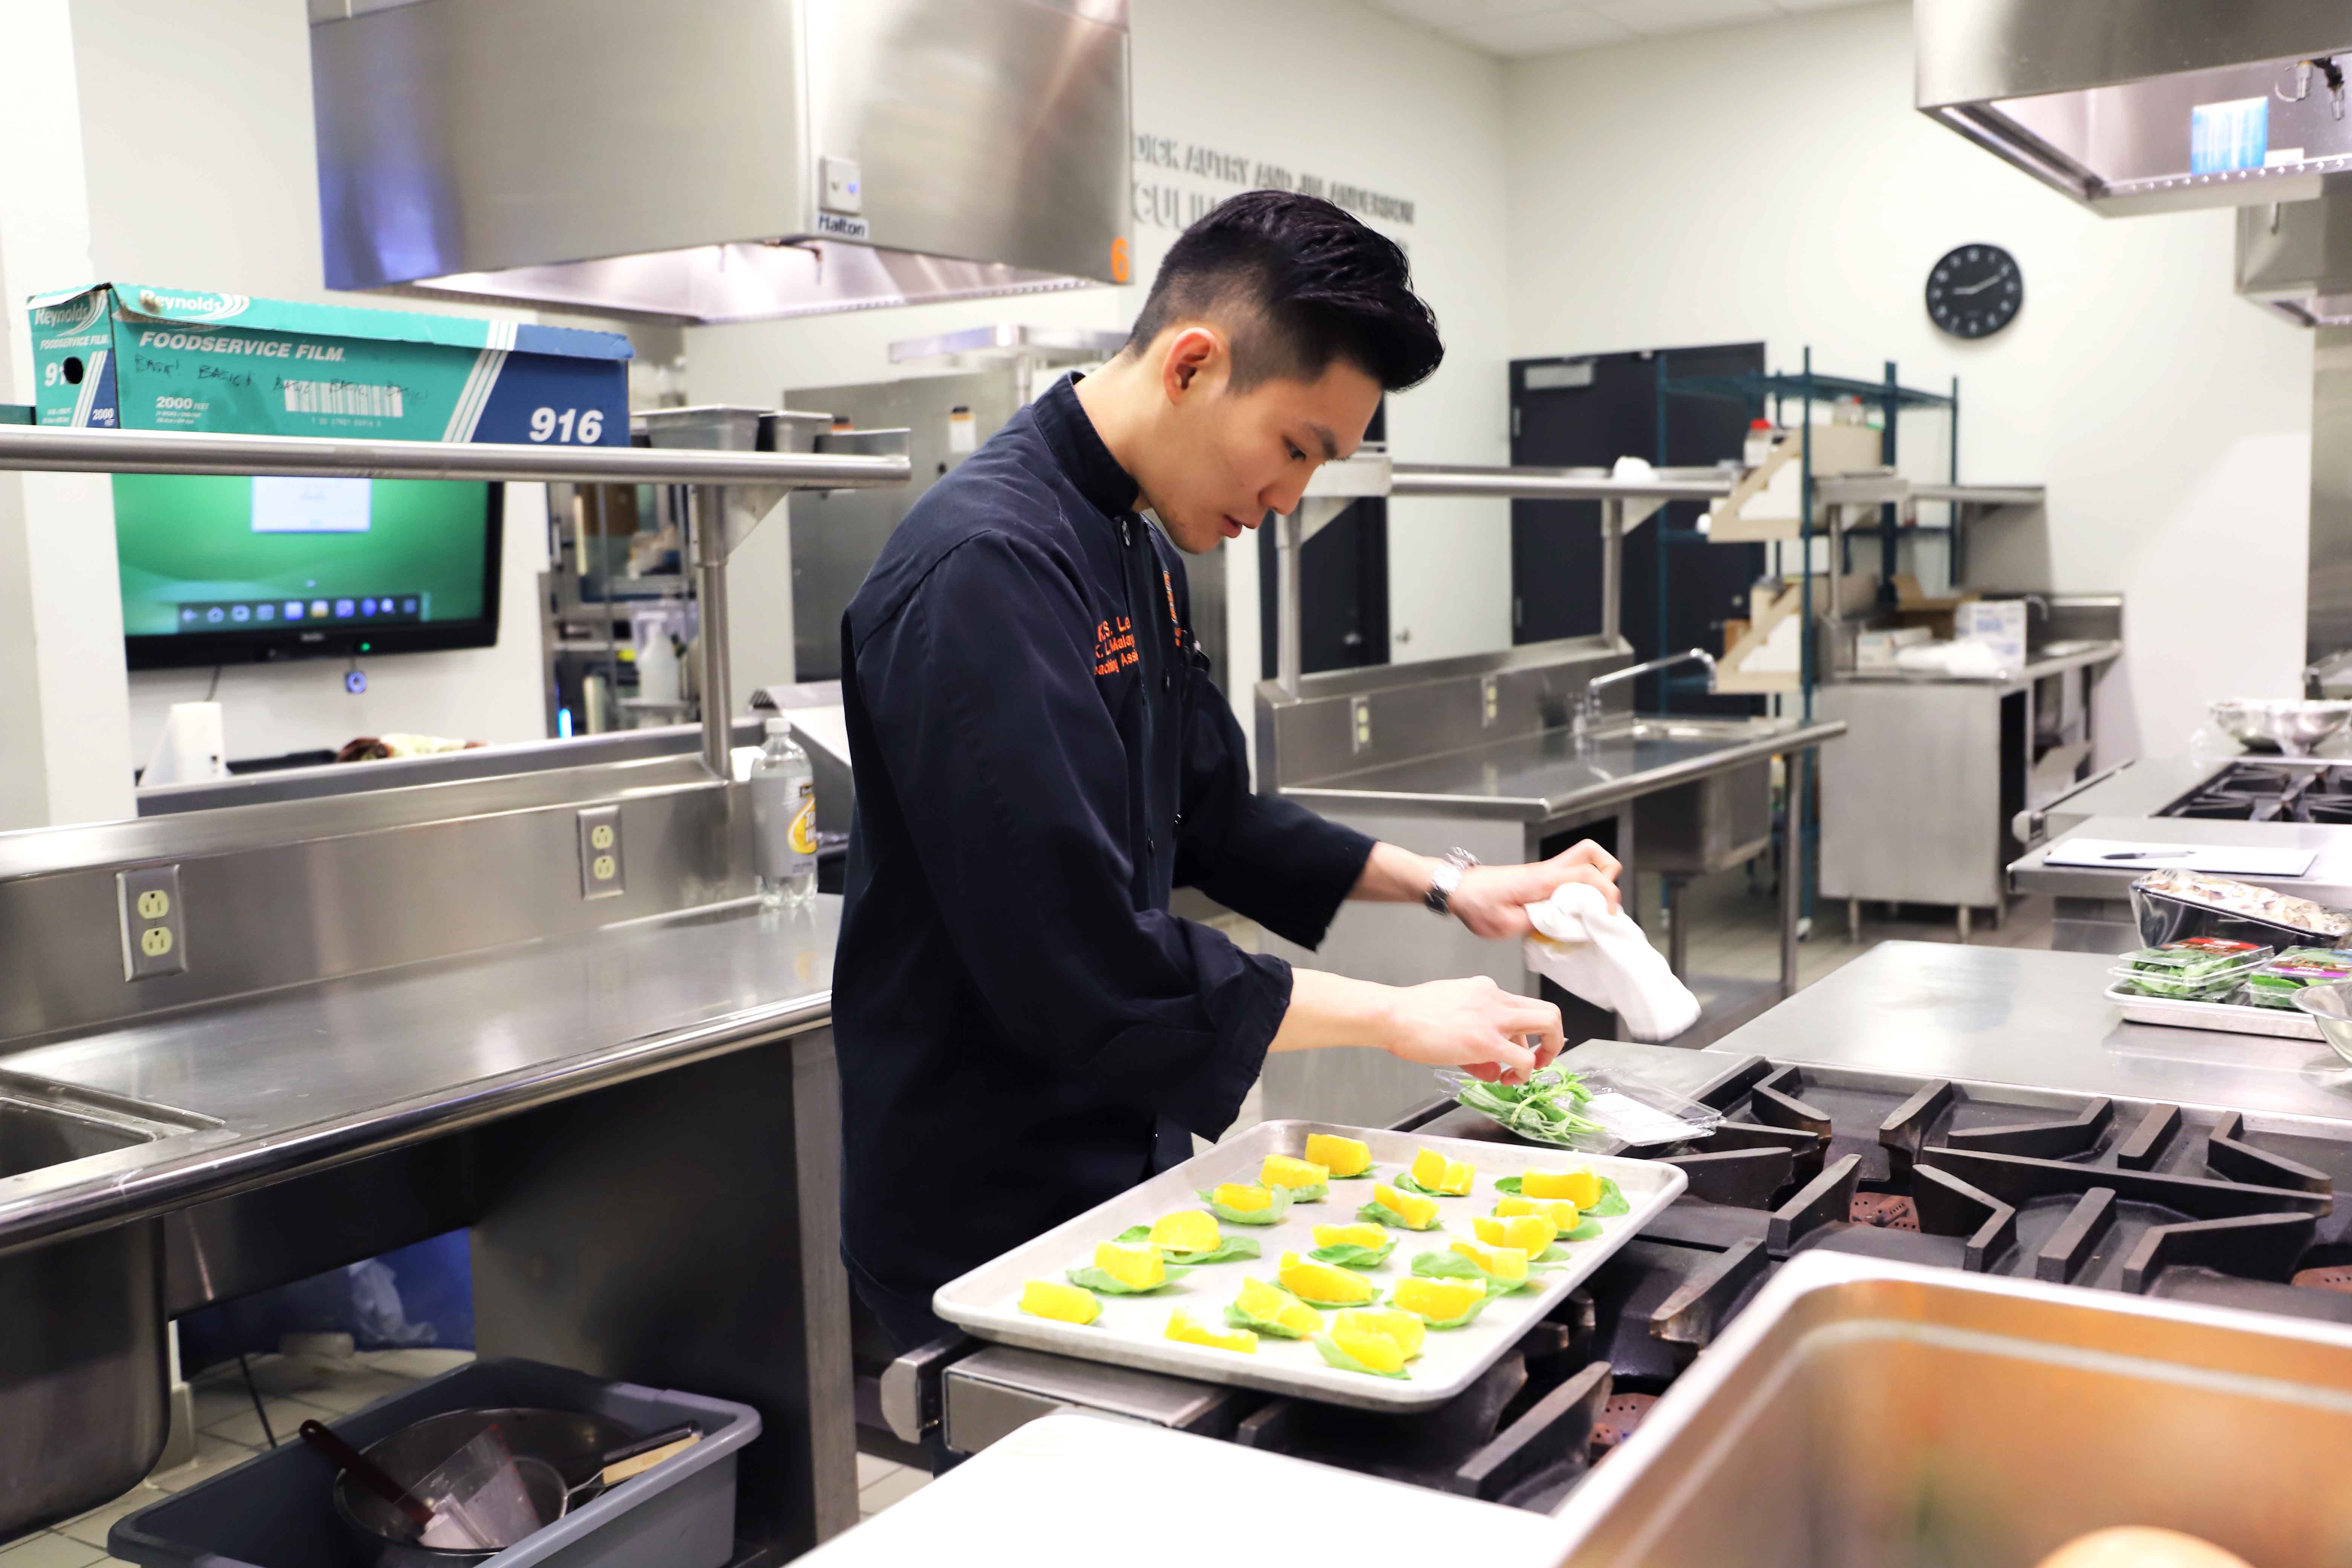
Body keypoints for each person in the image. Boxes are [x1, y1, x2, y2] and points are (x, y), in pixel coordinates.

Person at [833, 190, 1623, 1351]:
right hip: (988, 1204)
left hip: (1123, 1161)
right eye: (1296, 448)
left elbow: (1215, 817)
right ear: (1194, 364)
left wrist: (1451, 889)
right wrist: (1395, 1015)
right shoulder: (985, 568)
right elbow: (1081, 961)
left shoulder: (1133, 546)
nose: (1292, 499)